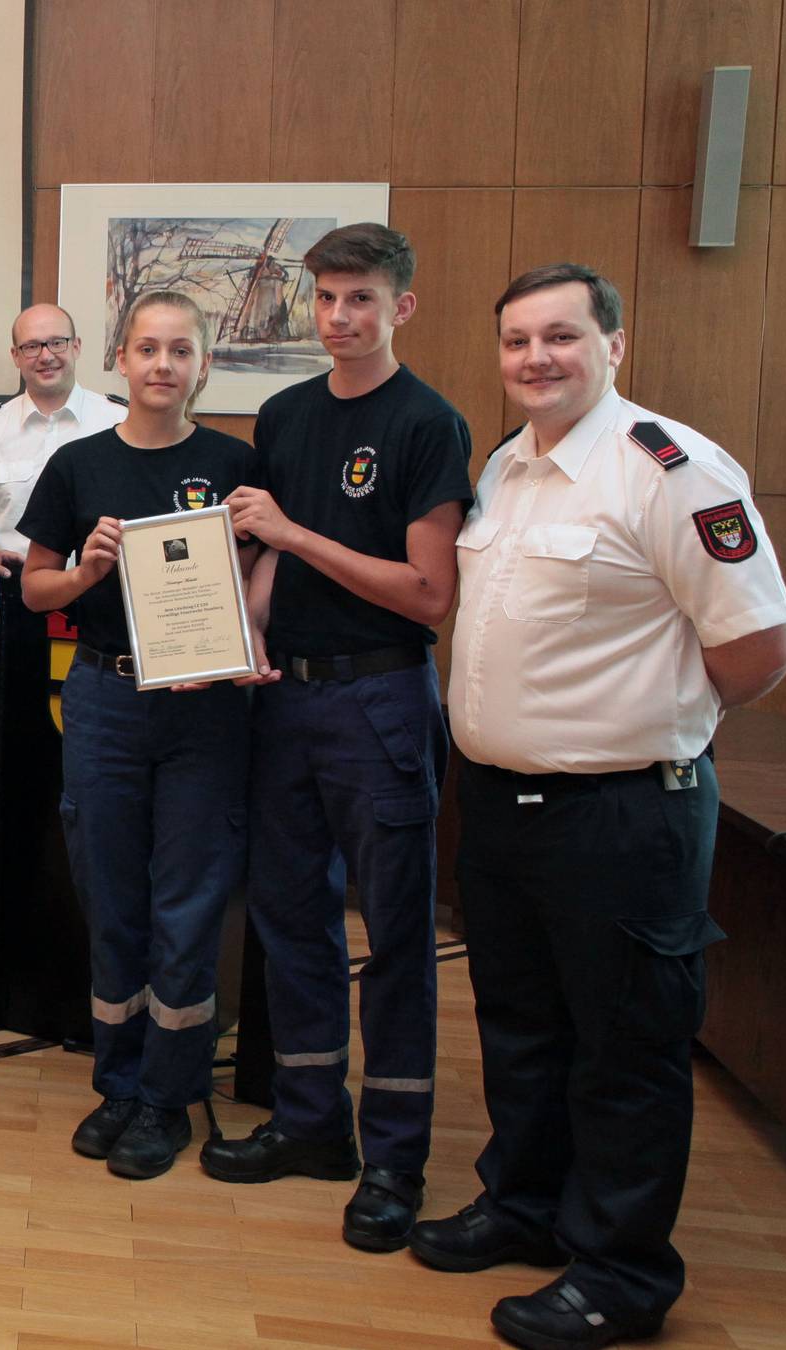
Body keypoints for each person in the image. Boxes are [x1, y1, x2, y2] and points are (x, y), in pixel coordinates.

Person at [417, 264, 786, 1350]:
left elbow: (759, 643)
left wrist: (658, 720)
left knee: (624, 1048)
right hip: (498, 807)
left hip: (623, 816)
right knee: (521, 1027)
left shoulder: (670, 471)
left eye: (562, 337)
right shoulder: (507, 467)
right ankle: (528, 1209)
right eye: (518, 341)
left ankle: (623, 1273)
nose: (537, 358)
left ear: (613, 346)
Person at [197, 223, 473, 1256]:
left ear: (401, 306)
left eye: (361, 299)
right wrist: (246, 632)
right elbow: (268, 564)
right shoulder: (285, 413)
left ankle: (395, 1157)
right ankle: (312, 1123)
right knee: (290, 919)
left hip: (381, 701)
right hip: (286, 702)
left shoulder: (427, 424)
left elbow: (429, 593)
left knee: (395, 935)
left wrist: (297, 534)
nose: (340, 318)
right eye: (325, 300)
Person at [18, 293, 261, 1179]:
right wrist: (87, 567)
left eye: (181, 350)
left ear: (204, 364)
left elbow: (261, 578)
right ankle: (118, 1082)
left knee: (188, 902)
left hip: (204, 711)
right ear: (120, 359)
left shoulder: (235, 463)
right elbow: (35, 590)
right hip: (107, 698)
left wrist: (243, 636)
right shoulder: (78, 465)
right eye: (147, 349)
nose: (163, 365)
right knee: (112, 893)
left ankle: (168, 1097)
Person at [0, 303, 125, 964]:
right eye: (30, 346)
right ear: (14, 356)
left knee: (81, 769)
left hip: (99, 613)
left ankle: (70, 915)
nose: (45, 356)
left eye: (56, 343)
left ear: (77, 346)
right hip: (11, 613)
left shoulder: (118, 423)